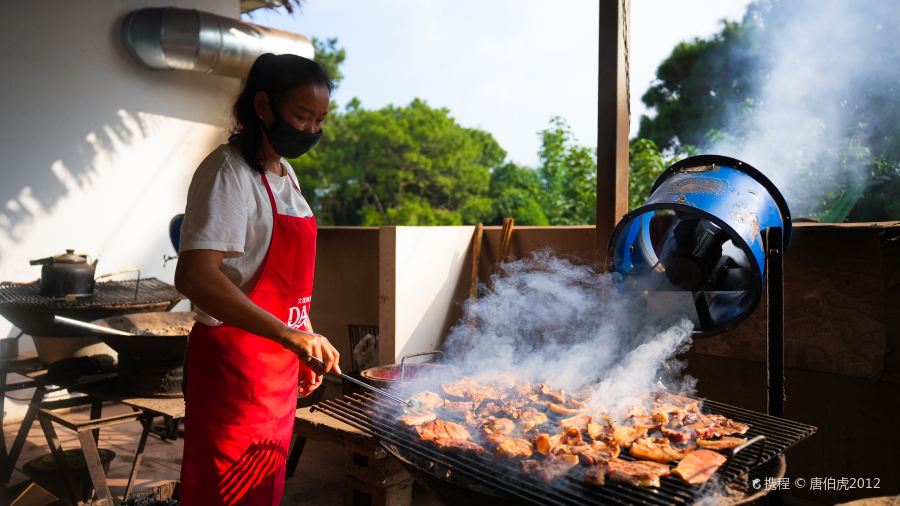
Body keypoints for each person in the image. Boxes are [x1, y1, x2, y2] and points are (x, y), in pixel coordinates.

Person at [174, 53, 341, 505]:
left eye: (320, 119)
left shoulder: (288, 177)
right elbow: (195, 275)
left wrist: (303, 339)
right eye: (301, 116)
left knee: (264, 489)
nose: (310, 130)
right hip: (233, 371)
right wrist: (289, 335)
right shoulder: (227, 173)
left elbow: (287, 289)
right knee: (223, 494)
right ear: (263, 107)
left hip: (278, 369)